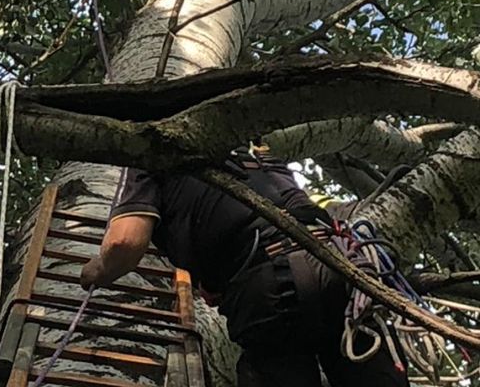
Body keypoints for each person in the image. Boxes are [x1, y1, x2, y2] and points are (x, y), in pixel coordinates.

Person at [79, 149, 409, 387]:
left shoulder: (152, 156)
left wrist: (95, 271)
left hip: (271, 290)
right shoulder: (260, 155)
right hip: (340, 274)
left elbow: (125, 243)